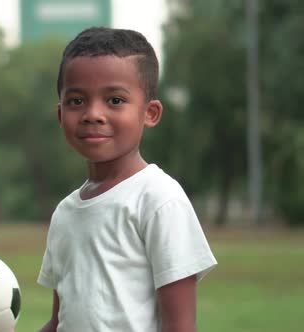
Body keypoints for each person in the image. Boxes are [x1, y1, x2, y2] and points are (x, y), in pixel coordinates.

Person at [36, 27, 217, 332]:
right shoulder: (65, 213)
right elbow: (59, 321)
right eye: (76, 101)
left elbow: (180, 326)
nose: (93, 114)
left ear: (150, 113)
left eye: (115, 100)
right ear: (60, 114)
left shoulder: (159, 199)